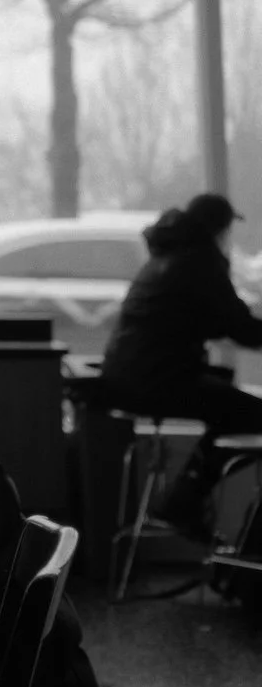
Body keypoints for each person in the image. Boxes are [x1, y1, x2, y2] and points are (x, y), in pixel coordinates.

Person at [100, 192, 262, 540]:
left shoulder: (168, 255)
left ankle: (186, 500)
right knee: (250, 413)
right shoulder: (200, 261)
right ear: (220, 227)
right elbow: (240, 328)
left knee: (228, 401)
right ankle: (184, 502)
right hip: (157, 381)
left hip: (129, 378)